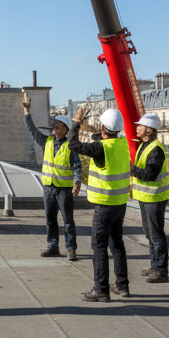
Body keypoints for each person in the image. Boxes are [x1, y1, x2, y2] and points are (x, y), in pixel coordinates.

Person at [66, 106, 131, 301]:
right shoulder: (121, 143)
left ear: (103, 128)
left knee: (99, 245)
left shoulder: (101, 148)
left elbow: (72, 144)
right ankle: (122, 285)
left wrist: (76, 123)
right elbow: (99, 139)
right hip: (120, 202)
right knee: (117, 243)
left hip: (104, 204)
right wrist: (90, 129)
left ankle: (101, 289)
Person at [22, 93, 80, 260]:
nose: (55, 129)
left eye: (59, 127)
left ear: (66, 130)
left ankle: (71, 248)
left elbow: (77, 166)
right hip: (49, 187)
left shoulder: (70, 146)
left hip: (64, 189)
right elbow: (32, 130)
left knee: (68, 220)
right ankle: (53, 246)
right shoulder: (46, 141)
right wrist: (27, 112)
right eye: (54, 126)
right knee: (50, 219)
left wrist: (77, 182)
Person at [131, 113, 169, 283]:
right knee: (150, 234)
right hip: (146, 196)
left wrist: (131, 169)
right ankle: (155, 266)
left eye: (140, 126)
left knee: (156, 235)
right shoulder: (144, 145)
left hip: (155, 197)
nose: (137, 128)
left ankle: (161, 271)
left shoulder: (156, 149)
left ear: (149, 130)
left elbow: (150, 174)